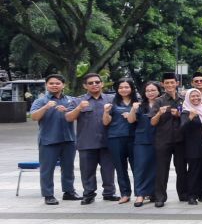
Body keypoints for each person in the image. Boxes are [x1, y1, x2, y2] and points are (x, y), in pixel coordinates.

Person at [64, 73, 116, 205]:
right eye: (90, 83)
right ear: (85, 86)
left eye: (97, 82)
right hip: (87, 142)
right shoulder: (78, 101)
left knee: (108, 170)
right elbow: (69, 118)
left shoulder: (111, 99)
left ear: (102, 84)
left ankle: (109, 193)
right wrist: (79, 108)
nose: (94, 85)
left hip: (108, 142)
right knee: (87, 171)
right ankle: (88, 194)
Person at [30, 73, 78, 205]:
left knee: (68, 168)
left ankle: (69, 192)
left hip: (68, 140)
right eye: (51, 83)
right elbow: (34, 117)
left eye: (57, 83)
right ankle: (48, 195)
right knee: (47, 169)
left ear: (63, 85)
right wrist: (46, 107)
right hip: (48, 140)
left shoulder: (71, 100)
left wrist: (67, 110)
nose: (54, 85)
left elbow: (77, 115)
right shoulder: (40, 101)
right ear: (46, 85)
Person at [105, 79, 139, 204]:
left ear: (132, 88)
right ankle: (125, 193)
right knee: (120, 167)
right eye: (121, 87)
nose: (123, 89)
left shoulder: (138, 102)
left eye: (126, 87)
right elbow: (105, 122)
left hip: (134, 138)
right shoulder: (112, 103)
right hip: (115, 137)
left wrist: (132, 114)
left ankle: (140, 192)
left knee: (137, 167)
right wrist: (105, 112)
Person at [180, 87, 202, 206]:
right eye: (192, 96)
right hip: (193, 146)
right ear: (188, 98)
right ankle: (191, 195)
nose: (196, 98)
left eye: (197, 95)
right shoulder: (186, 111)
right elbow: (182, 128)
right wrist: (190, 117)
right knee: (194, 171)